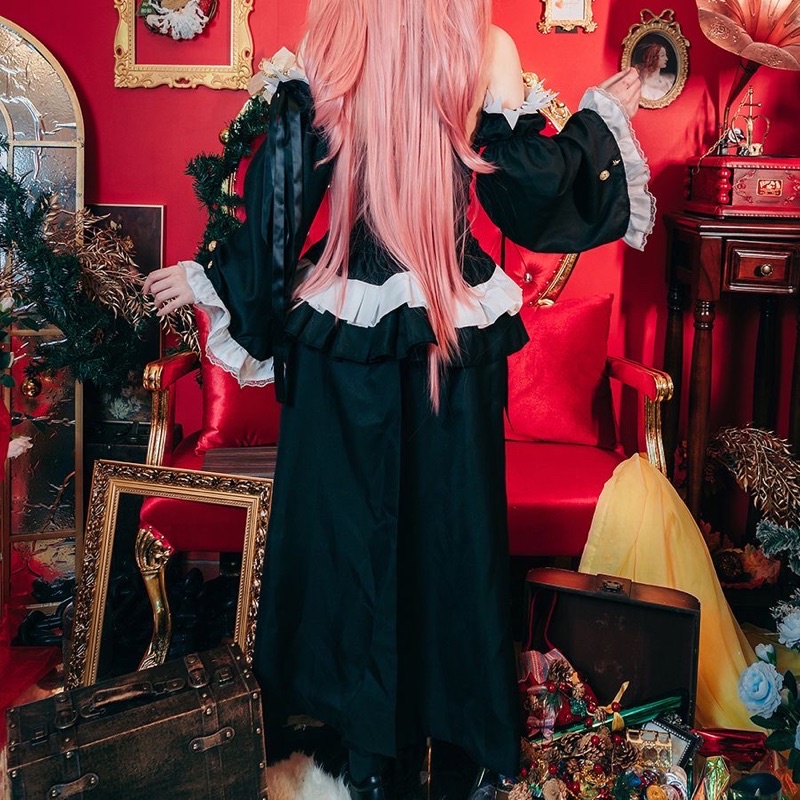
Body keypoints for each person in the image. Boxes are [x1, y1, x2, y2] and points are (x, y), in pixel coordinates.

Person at [144, 2, 653, 797]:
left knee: (354, 541)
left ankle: (371, 755)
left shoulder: (338, 41)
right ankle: (445, 745)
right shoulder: (485, 47)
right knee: (450, 543)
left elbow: (284, 192)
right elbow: (528, 188)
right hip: (446, 333)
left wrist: (221, 279)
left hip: (349, 341)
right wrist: (599, 126)